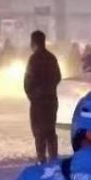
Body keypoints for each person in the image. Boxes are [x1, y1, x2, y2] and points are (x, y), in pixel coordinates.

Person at [24, 28, 62, 164]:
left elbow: (28, 82)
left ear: (33, 42)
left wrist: (33, 96)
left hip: (38, 101)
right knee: (50, 130)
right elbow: (58, 77)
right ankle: (53, 158)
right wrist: (50, 89)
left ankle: (41, 159)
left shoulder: (33, 59)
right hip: (51, 99)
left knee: (39, 131)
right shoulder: (52, 58)